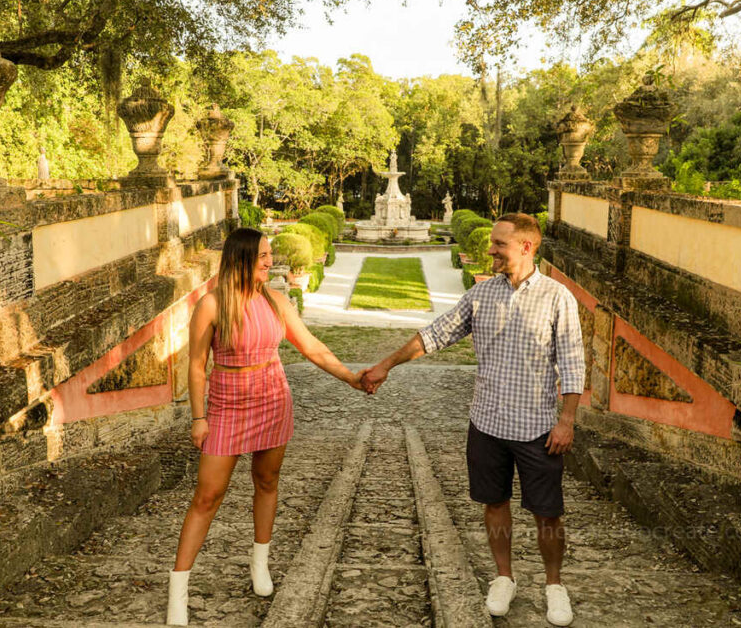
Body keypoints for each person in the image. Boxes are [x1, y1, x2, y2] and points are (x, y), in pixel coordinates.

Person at [360, 213, 584, 626]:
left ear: (526, 247)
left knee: (548, 513)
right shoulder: (481, 296)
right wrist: (385, 365)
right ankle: (504, 578)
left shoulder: (557, 297)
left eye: (499, 244)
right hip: (487, 424)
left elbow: (571, 364)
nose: (490, 249)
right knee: (494, 504)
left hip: (538, 428)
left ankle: (554, 585)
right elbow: (435, 334)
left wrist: (566, 419)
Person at [167, 227, 363, 626]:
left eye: (270, 255)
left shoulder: (275, 301)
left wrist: (352, 378)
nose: (270, 262)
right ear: (241, 259)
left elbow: (312, 347)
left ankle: (260, 565)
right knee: (207, 495)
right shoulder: (212, 304)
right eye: (262, 256)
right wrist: (199, 417)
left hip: (273, 399)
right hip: (225, 406)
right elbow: (196, 365)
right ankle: (178, 593)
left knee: (267, 482)